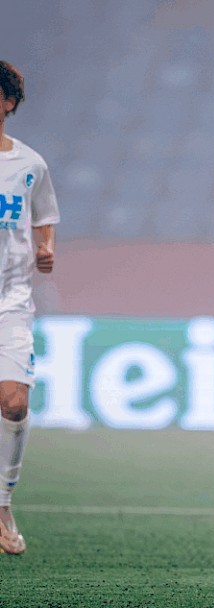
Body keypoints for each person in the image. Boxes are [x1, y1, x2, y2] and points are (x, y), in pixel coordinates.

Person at [0, 60, 59, 555]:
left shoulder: (30, 165)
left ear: (8, 103)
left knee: (15, 403)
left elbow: (44, 218)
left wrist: (47, 249)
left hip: (11, 301)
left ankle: (1, 504)